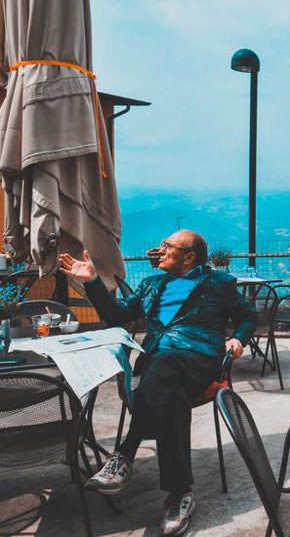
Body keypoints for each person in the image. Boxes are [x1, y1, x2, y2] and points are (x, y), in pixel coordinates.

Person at [59, 230, 256, 536]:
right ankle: (181, 495)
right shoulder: (151, 285)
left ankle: (125, 453)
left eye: (167, 247)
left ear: (189, 257)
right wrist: (92, 282)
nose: (159, 250)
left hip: (199, 360)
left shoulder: (219, 284)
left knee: (165, 365)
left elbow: (248, 316)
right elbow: (116, 315)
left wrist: (237, 339)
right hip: (159, 370)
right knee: (172, 396)